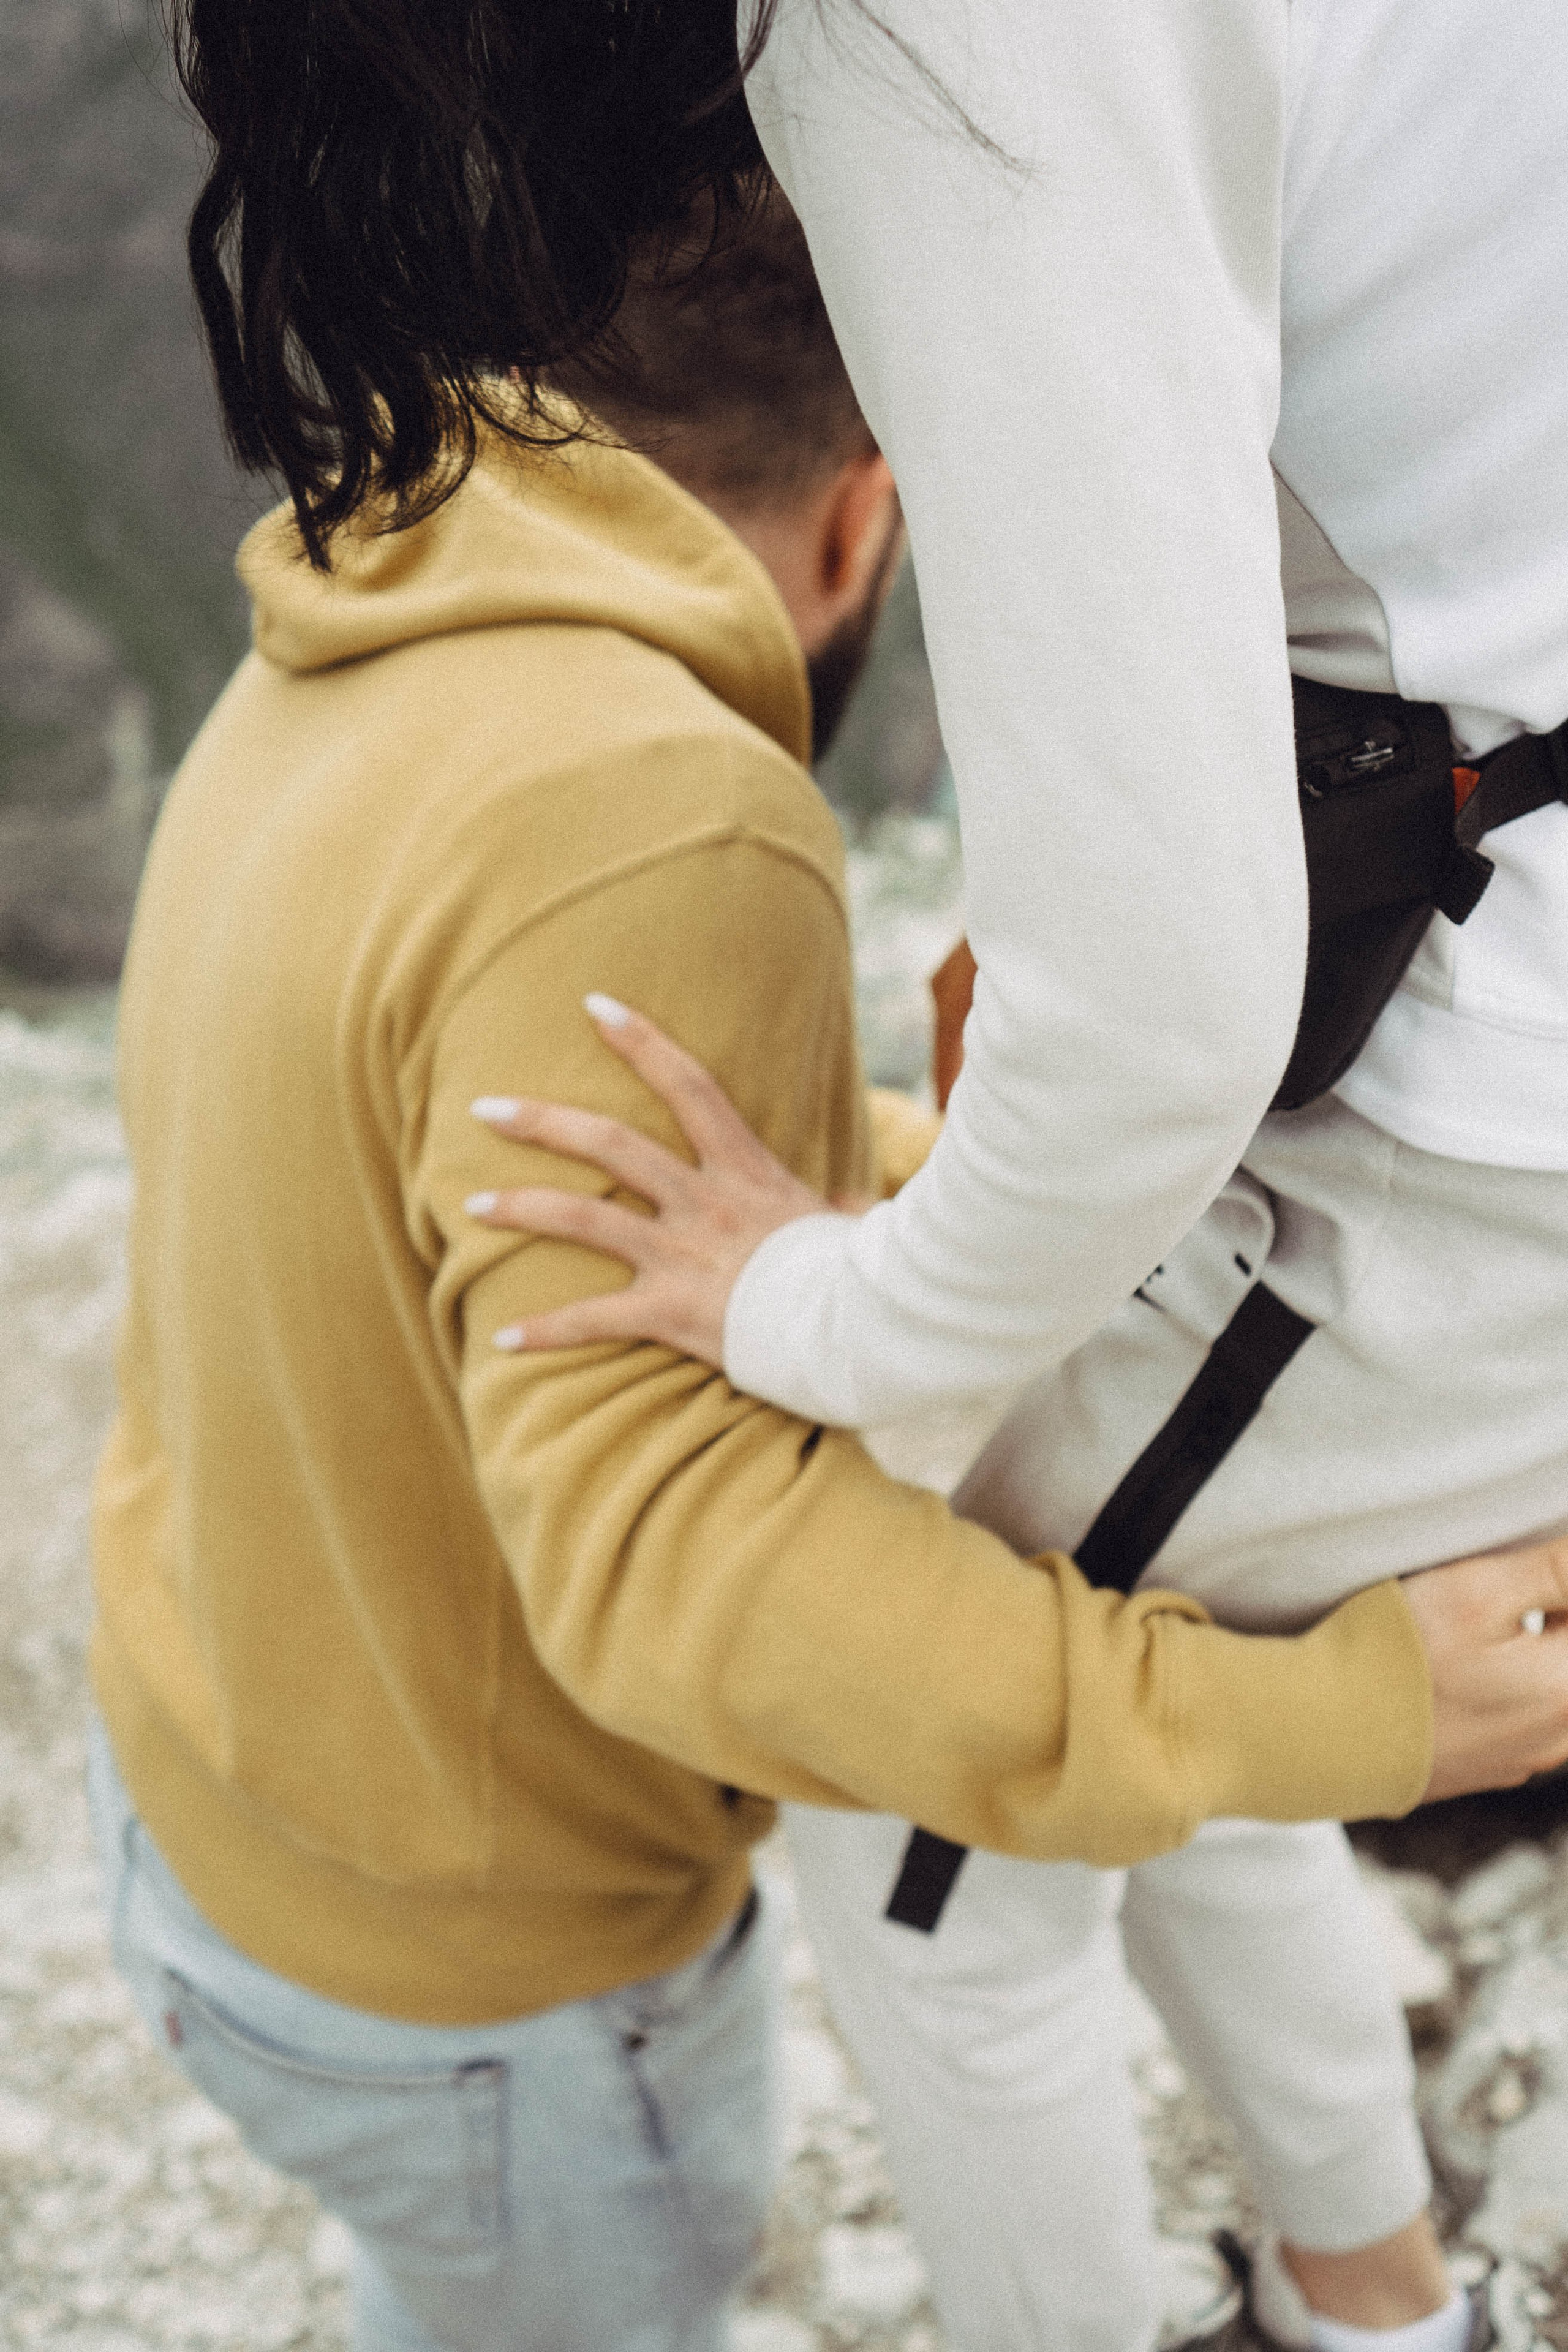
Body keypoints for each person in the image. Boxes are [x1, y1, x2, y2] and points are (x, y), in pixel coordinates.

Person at [94, 171, 1551, 2352]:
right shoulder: (662, 808)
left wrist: (906, 1188)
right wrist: (1327, 1711)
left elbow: (474, 1186)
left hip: (239, 1816)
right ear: (872, 512)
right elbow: (690, 1565)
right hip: (498, 1995)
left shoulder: (369, 622)